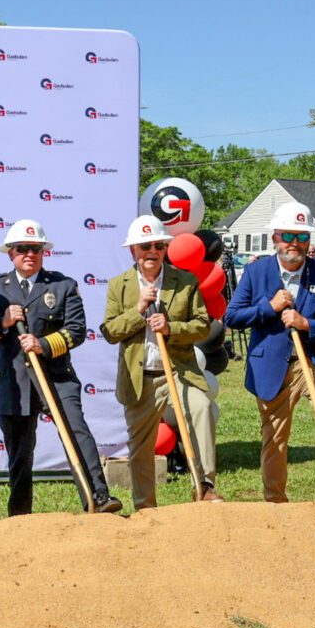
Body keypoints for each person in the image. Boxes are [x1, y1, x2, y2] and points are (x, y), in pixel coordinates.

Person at [0, 219, 121, 515]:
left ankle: (99, 497)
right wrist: (0, 322)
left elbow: (77, 330)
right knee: (19, 453)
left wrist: (43, 344)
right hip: (14, 382)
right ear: (10, 253)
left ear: (43, 252)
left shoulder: (62, 286)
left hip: (56, 377)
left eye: (36, 249)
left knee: (77, 433)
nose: (30, 254)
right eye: (23, 248)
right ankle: (19, 515)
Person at [224, 201, 315, 502]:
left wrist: (307, 323)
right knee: (275, 434)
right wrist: (268, 307)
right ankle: (275, 498)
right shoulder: (256, 272)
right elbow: (232, 318)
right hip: (272, 364)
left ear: (309, 241)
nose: (294, 243)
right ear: (275, 238)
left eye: (302, 237)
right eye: (288, 236)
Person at [101, 215, 222, 510]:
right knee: (141, 445)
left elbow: (203, 326)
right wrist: (138, 310)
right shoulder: (120, 285)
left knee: (202, 407)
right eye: (144, 247)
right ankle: (145, 508)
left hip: (179, 372)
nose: (151, 251)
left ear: (166, 248)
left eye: (157, 245)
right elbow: (110, 331)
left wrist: (171, 328)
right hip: (139, 376)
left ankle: (204, 486)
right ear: (133, 251)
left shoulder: (186, 281)